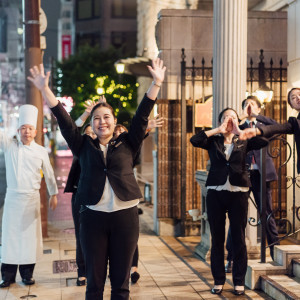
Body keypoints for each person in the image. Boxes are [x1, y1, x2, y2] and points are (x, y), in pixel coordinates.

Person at [28, 58, 166, 300]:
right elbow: (64, 120)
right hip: (92, 218)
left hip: (125, 216)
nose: (102, 122)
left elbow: (142, 115)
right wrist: (44, 89)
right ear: (91, 124)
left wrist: (156, 83)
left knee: (121, 284)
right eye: (97, 118)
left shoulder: (128, 142)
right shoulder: (83, 145)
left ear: (114, 122)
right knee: (94, 284)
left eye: (107, 117)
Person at [190, 108, 268, 296]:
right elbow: (195, 140)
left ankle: (239, 281)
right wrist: (217, 130)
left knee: (239, 238)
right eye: (226, 117)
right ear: (220, 121)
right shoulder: (213, 140)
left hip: (238, 192)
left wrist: (240, 131)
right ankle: (218, 280)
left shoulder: (243, 139)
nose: (229, 119)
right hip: (216, 192)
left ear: (238, 121)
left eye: (233, 117)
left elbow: (264, 141)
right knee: (217, 238)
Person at [0, 104, 58, 288]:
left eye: (30, 128)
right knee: (10, 238)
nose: (27, 132)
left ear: (35, 131)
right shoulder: (10, 146)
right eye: (23, 128)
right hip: (12, 199)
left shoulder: (40, 151)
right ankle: (7, 277)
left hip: (31, 200)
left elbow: (49, 174)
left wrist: (53, 194)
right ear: (18, 130)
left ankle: (27, 275)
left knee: (28, 239)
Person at [225, 96, 279, 273]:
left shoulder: (264, 127)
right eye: (246, 106)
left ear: (259, 108)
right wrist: (241, 120)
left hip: (262, 175)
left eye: (253, 105)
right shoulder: (238, 127)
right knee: (237, 216)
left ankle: (275, 252)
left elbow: (277, 126)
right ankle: (231, 258)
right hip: (243, 175)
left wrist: (256, 116)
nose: (249, 107)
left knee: (267, 213)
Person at [113, 116, 164, 285]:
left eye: (123, 132)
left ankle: (133, 268)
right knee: (114, 237)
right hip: (111, 199)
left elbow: (137, 139)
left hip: (128, 195)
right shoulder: (108, 150)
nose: (120, 135)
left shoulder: (130, 148)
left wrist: (146, 129)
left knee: (131, 236)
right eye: (117, 132)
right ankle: (116, 267)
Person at [64, 100, 102, 286]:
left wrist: (102, 108)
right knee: (81, 235)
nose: (89, 136)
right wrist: (87, 113)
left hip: (100, 196)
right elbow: (73, 127)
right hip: (80, 196)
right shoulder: (79, 146)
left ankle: (99, 270)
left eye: (92, 133)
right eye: (86, 133)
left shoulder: (101, 151)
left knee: (100, 236)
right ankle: (82, 271)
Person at [240, 88, 300, 174]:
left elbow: (275, 126)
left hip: (263, 168)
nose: (298, 97)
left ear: (259, 109)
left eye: (299, 94)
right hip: (245, 168)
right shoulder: (296, 122)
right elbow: (283, 127)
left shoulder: (263, 123)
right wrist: (242, 117)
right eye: (293, 97)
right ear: (291, 105)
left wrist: (257, 123)